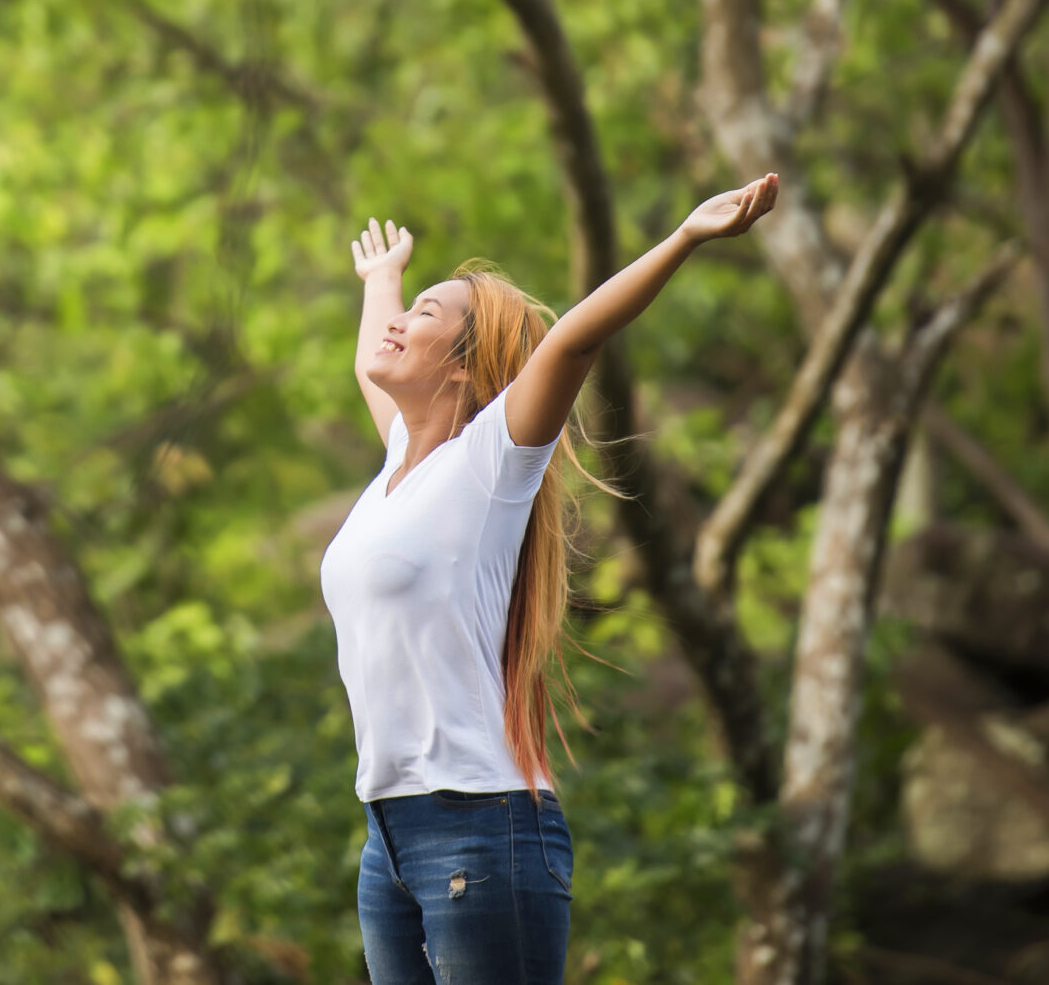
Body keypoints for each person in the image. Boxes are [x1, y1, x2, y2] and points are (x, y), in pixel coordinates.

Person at [320, 175, 781, 984]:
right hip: (386, 838)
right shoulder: (398, 462)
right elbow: (369, 359)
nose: (396, 327)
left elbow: (569, 342)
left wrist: (686, 236)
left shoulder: (490, 464)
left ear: (465, 369)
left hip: (479, 831)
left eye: (424, 316)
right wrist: (383, 281)